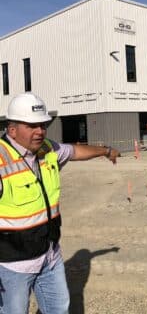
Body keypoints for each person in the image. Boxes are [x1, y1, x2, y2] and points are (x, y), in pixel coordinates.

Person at [0, 92, 120, 314]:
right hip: (13, 266)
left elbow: (74, 151)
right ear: (12, 129)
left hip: (49, 256)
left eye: (43, 125)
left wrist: (105, 150)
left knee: (58, 309)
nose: (40, 131)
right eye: (32, 125)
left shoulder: (47, 149)